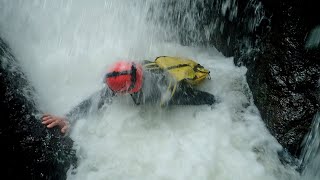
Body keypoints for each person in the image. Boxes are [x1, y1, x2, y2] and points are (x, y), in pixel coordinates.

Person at [41, 56, 216, 134]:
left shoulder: (159, 92)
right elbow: (98, 99)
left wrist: (217, 103)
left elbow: (192, 97)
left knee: (182, 95)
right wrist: (69, 118)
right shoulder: (129, 72)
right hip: (151, 72)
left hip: (170, 86)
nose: (110, 93)